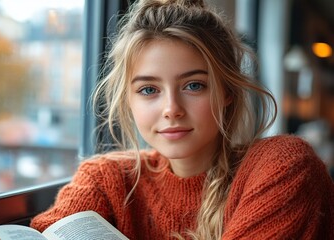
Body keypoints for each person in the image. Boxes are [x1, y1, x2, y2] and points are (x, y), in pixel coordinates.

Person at [30, 0, 334, 239]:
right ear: (128, 100)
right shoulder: (105, 179)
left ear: (226, 91)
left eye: (193, 85)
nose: (171, 109)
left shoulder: (284, 167)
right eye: (149, 89)